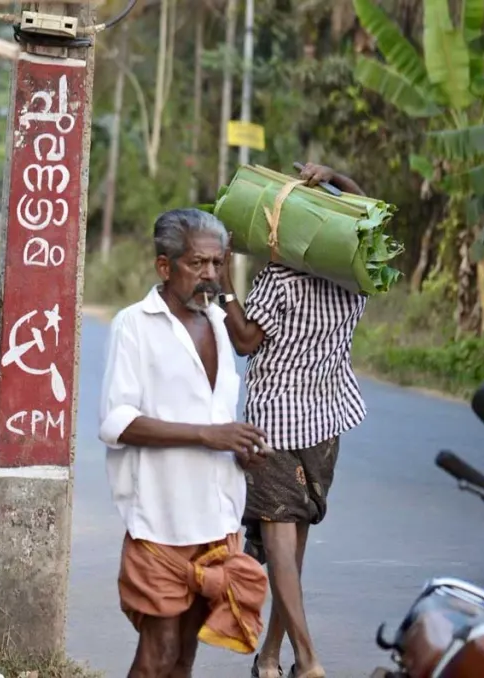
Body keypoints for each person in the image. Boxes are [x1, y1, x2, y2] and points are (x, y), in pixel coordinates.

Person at [99, 208, 270, 678]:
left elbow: (216, 420)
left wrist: (240, 450)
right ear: (164, 266)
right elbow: (117, 422)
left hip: (217, 525)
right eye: (197, 264)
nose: (210, 275)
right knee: (157, 656)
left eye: (217, 264)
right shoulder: (134, 325)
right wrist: (208, 436)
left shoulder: (217, 322)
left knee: (184, 660)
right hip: (160, 525)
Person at [219, 164, 368, 678]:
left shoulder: (279, 279)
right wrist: (337, 177)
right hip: (328, 421)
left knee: (283, 553)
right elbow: (367, 216)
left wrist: (223, 288)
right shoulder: (355, 280)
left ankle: (306, 660)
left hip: (277, 426)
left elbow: (244, 342)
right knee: (292, 552)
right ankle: (270, 656)